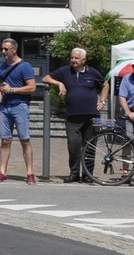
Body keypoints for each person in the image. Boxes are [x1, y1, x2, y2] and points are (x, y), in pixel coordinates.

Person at [43, 47, 105, 183]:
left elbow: (106, 85)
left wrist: (103, 100)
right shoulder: (65, 71)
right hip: (73, 116)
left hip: (91, 115)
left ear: (84, 60)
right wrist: (59, 83)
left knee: (90, 146)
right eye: (72, 57)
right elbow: (46, 78)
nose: (73, 60)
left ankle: (88, 174)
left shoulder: (92, 73)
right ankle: (74, 173)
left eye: (76, 58)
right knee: (74, 145)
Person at [0, 38, 38, 184]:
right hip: (4, 108)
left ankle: (30, 173)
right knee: (5, 140)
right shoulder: (2, 67)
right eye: (2, 49)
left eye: (6, 49)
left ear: (14, 49)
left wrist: (12, 90)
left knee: (25, 139)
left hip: (20, 106)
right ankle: (2, 172)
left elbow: (32, 87)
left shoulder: (25, 66)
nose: (3, 52)